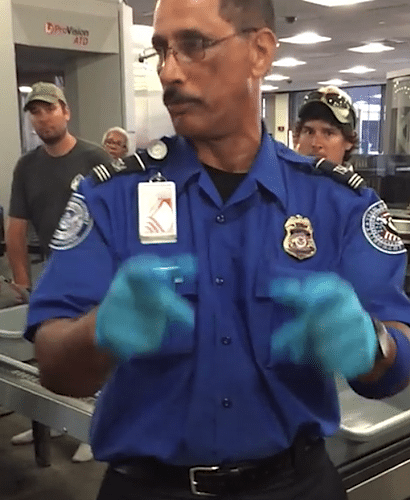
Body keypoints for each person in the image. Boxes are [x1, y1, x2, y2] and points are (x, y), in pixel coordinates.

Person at [23, 1, 410, 499]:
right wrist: (99, 332)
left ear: (260, 51)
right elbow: (53, 366)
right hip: (148, 486)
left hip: (296, 483)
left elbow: (397, 358)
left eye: (193, 44)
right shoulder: (110, 196)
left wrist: (370, 342)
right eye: (160, 50)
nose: (169, 70)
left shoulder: (339, 203)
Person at [6, 81, 111, 463]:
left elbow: (117, 217)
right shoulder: (27, 167)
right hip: (53, 274)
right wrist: (22, 279)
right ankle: (45, 422)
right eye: (35, 112)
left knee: (91, 349)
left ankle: (93, 428)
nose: (42, 118)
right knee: (48, 348)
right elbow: (16, 225)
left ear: (65, 111)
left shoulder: (94, 158)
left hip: (96, 272)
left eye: (49, 109)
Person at [293, 86, 358, 166]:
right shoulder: (282, 177)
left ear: (348, 141)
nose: (315, 144)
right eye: (309, 132)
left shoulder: (356, 179)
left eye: (328, 133)